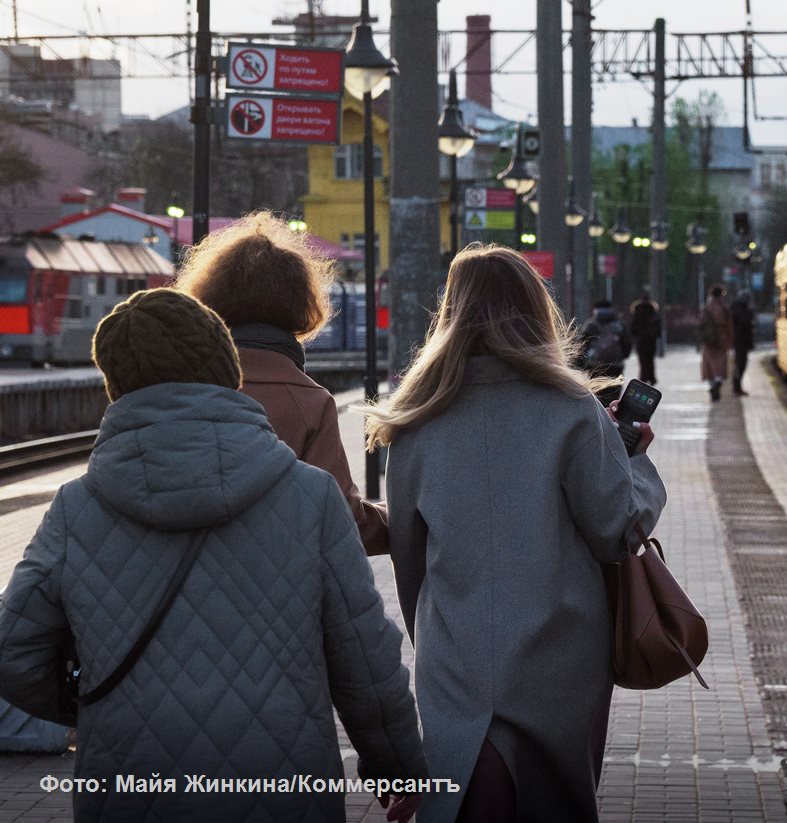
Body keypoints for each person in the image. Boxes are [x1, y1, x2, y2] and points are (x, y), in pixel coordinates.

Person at [0, 289, 426, 822]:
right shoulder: (309, 497)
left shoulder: (75, 508)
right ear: (225, 367)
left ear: (116, 384)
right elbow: (365, 657)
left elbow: (12, 650)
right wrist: (398, 765)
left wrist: (92, 706)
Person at [364, 244, 667, 823]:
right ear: (535, 311)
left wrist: (434, 635)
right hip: (562, 651)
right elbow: (616, 531)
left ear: (449, 314)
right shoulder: (572, 412)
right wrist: (637, 466)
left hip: (455, 652)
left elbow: (409, 563)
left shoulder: (413, 423)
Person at [176, 211, 389, 555]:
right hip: (273, 594)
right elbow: (340, 521)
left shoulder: (176, 387)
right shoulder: (308, 402)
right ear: (301, 305)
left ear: (207, 297)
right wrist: (399, 523)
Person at [579, 299, 633, 407]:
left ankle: (600, 418)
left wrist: (581, 364)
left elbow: (582, 345)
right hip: (615, 365)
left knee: (597, 394)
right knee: (613, 392)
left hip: (595, 365)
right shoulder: (620, 324)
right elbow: (627, 344)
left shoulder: (591, 324)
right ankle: (611, 416)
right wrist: (621, 356)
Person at [699, 284, 734, 401]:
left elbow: (701, 324)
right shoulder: (724, 307)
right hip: (722, 337)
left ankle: (712, 384)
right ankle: (718, 380)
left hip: (709, 339)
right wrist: (730, 338)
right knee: (720, 362)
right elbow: (729, 324)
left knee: (709, 363)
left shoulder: (707, 307)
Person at [629, 291, 662, 385]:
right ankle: (651, 378)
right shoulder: (653, 312)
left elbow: (632, 329)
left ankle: (643, 378)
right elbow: (658, 329)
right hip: (651, 341)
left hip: (640, 341)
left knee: (642, 360)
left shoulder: (636, 311)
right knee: (650, 360)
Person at [730, 290, 755, 396]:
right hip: (739, 342)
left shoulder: (738, 308)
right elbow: (745, 320)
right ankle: (737, 388)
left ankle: (738, 387)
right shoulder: (738, 309)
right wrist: (751, 311)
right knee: (740, 364)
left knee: (741, 364)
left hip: (741, 342)